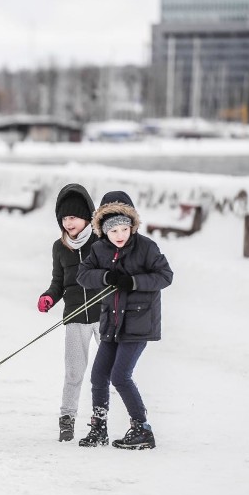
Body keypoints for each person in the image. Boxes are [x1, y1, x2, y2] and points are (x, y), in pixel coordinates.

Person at [76, 190, 173, 450]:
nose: (119, 235)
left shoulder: (146, 247)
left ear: (132, 226)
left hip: (139, 323)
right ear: (103, 230)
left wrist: (133, 282)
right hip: (112, 323)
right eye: (113, 230)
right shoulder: (98, 249)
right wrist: (105, 277)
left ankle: (142, 428)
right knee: (99, 376)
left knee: (120, 376)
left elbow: (165, 276)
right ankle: (99, 427)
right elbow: (84, 276)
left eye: (124, 228)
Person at [37, 183, 101, 442]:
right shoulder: (60, 247)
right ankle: (67, 417)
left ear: (87, 217)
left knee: (106, 371)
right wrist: (49, 296)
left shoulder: (101, 242)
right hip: (75, 315)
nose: (68, 223)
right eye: (64, 218)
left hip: (103, 314)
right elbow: (59, 282)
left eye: (73, 217)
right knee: (74, 371)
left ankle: (102, 418)